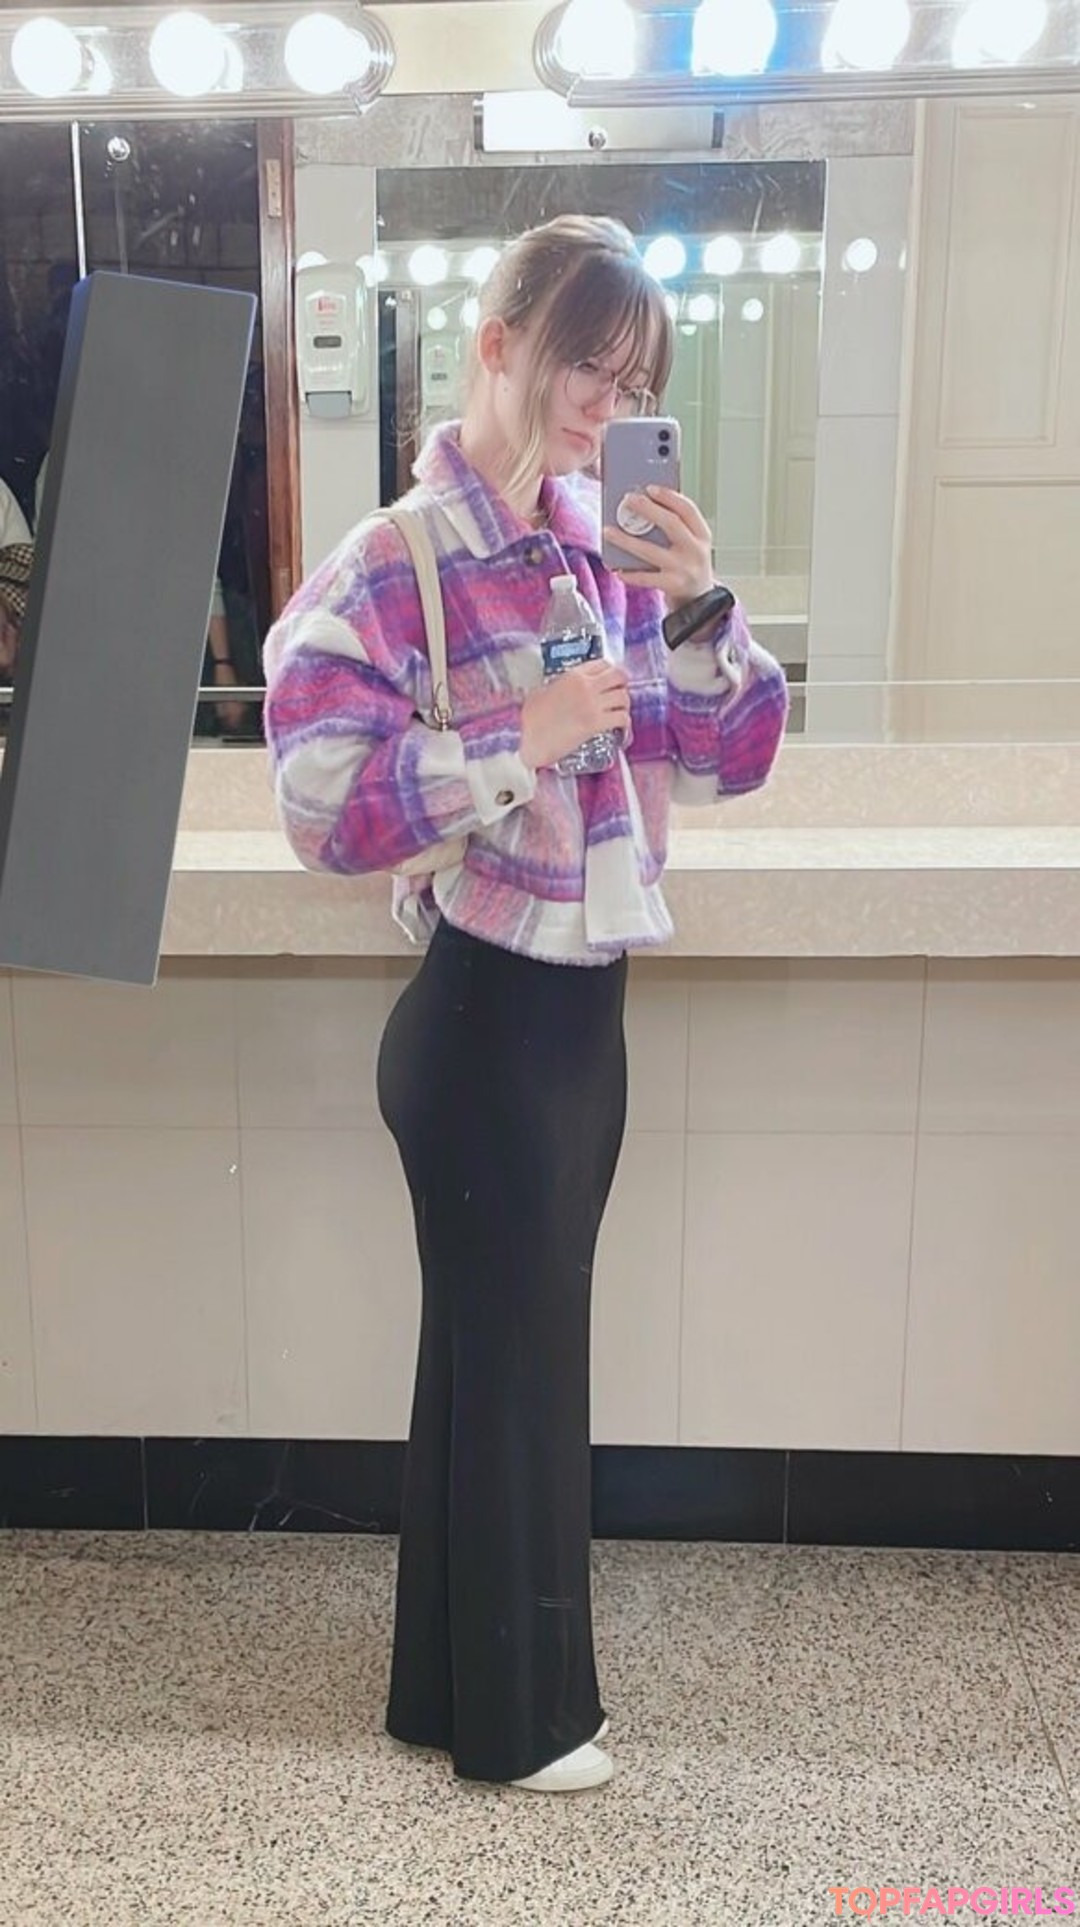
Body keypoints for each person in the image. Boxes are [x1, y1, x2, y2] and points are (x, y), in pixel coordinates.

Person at [261, 215, 789, 1794]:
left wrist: (699, 605)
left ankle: (448, 1689)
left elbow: (730, 754)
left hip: (579, 1021)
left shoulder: (602, 547)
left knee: (496, 1362)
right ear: (497, 346)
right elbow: (317, 801)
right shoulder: (401, 557)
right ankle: (526, 1721)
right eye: (584, 371)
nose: (603, 407)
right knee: (523, 1375)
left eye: (632, 384)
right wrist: (521, 737)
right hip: (488, 1017)